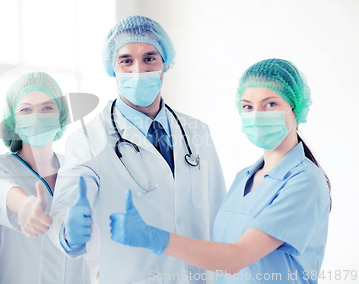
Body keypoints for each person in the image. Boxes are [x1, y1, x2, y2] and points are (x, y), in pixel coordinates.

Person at [110, 59, 331, 284]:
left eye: (270, 104)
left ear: (296, 107)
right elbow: (220, 260)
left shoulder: (305, 182)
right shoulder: (244, 177)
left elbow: (236, 257)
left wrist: (154, 237)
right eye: (247, 106)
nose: (256, 115)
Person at [48, 15, 227, 283]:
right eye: (126, 60)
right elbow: (68, 205)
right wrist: (68, 231)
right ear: (113, 68)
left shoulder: (197, 131)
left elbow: (218, 213)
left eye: (149, 58)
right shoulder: (87, 139)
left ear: (164, 62)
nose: (138, 69)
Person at [0, 72, 99, 283]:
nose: (37, 116)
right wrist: (24, 206)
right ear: (13, 120)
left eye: (47, 108)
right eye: (25, 110)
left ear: (60, 117)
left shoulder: (78, 168)